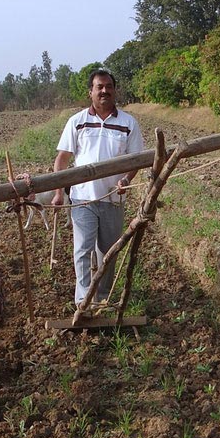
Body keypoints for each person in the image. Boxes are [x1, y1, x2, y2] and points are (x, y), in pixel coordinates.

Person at [52, 69, 144, 308]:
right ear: (90, 92)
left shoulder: (127, 123)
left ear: (115, 91)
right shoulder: (77, 121)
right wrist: (59, 192)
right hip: (83, 198)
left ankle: (101, 298)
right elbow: (62, 159)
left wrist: (126, 180)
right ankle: (83, 300)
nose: (104, 91)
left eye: (108, 87)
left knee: (109, 250)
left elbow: (136, 160)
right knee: (83, 249)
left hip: (113, 198)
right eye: (99, 87)